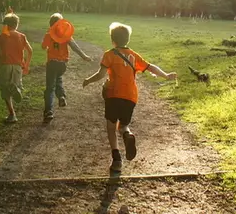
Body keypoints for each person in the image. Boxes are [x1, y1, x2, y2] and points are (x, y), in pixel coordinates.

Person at [82, 22, 177, 173]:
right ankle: (128, 134)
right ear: (128, 40)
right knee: (123, 125)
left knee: (111, 127)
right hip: (130, 97)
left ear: (112, 40)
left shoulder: (109, 54)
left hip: (113, 95)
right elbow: (150, 67)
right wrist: (166, 75)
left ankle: (117, 159)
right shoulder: (134, 55)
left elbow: (101, 75)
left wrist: (87, 80)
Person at [41, 13, 92, 123]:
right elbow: (74, 47)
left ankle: (48, 111)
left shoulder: (48, 35)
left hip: (51, 63)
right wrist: (84, 56)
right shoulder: (65, 36)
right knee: (58, 79)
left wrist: (48, 43)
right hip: (62, 64)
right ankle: (61, 96)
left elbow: (43, 47)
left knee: (50, 88)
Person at [0, 13, 32, 123]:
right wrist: (26, 65)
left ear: (5, 25)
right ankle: (16, 88)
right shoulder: (22, 36)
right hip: (18, 66)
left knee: (5, 90)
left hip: (5, 65)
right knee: (17, 84)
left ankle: (12, 114)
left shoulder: (1, 36)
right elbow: (30, 51)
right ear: (17, 24)